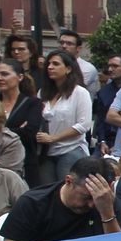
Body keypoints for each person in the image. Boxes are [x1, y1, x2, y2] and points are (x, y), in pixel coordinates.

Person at [0, 156, 121, 241]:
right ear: (69, 181)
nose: (92, 204)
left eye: (96, 199)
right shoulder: (33, 204)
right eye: (86, 197)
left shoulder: (104, 200)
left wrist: (107, 213)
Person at [35, 51, 92, 185]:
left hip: (71, 149)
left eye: (55, 64)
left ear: (68, 68)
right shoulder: (42, 93)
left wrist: (53, 138)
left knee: (67, 190)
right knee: (47, 191)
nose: (50, 67)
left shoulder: (80, 93)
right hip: (46, 152)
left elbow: (84, 125)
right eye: (48, 64)